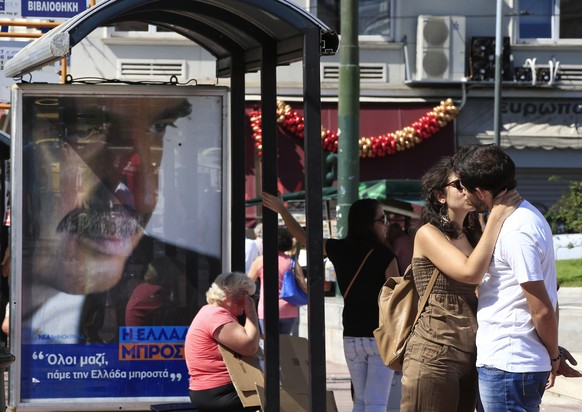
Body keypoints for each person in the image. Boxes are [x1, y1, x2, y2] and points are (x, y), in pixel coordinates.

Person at [19, 92, 222, 346]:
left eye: (159, 128)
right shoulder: (28, 315)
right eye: (84, 130)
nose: (147, 198)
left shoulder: (196, 276)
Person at [452, 144, 582, 411]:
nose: (462, 194)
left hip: (510, 365)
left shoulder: (517, 230)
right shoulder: (524, 217)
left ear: (479, 191)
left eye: (464, 188)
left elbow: (542, 307)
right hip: (512, 363)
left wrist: (553, 356)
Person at [400, 156, 521, 412]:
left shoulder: (475, 233)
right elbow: (470, 274)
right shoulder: (428, 234)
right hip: (435, 350)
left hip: (473, 351)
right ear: (440, 196)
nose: (466, 190)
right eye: (458, 185)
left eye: (469, 184)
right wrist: (496, 218)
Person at [263, 193, 399, 412]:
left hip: (352, 336)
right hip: (380, 337)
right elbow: (397, 301)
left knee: (361, 401)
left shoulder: (339, 248)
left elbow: (305, 237)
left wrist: (282, 210)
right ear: (368, 224)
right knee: (376, 402)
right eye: (382, 219)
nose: (386, 225)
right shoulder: (385, 255)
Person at [184, 272, 260, 412]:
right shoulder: (216, 316)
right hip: (217, 392)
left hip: (210, 391)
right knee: (274, 397)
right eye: (244, 294)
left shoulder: (210, 312)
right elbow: (249, 346)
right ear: (227, 292)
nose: (247, 300)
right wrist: (251, 313)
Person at [247, 226, 307, 335]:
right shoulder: (291, 261)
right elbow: (303, 284)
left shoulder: (261, 261)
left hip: (267, 309)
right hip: (289, 309)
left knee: (269, 345)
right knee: (285, 344)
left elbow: (247, 283)